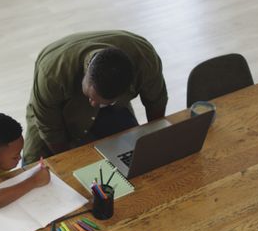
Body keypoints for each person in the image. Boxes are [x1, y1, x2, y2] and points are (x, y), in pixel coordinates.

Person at [22, 30, 168, 165]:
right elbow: (49, 128)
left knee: (134, 159)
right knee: (34, 168)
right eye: (90, 97)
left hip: (113, 111)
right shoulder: (52, 74)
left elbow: (156, 101)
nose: (93, 104)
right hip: (55, 114)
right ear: (87, 75)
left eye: (101, 102)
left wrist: (154, 142)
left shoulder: (145, 59)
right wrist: (70, 163)